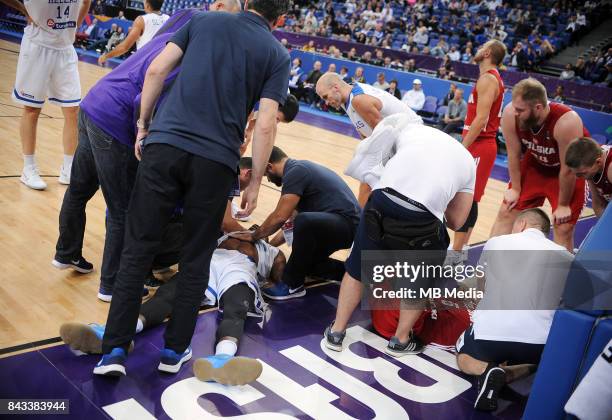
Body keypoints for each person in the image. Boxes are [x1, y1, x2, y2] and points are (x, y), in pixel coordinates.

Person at [94, 0, 291, 377]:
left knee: (137, 249)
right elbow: (266, 124)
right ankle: (174, 352)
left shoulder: (202, 21)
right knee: (197, 258)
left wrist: (143, 124)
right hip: (216, 162)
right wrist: (254, 186)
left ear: (247, 2)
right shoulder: (277, 54)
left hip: (165, 145)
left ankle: (114, 349)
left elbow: (155, 70)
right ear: (279, 20)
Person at [52, 0, 243, 299]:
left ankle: (66, 252)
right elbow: (143, 97)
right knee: (123, 211)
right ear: (218, 7)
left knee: (78, 189)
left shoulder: (183, 21)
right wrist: (142, 134)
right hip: (115, 119)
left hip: (94, 101)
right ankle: (111, 285)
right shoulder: (186, 57)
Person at [325, 116, 475, 357]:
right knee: (420, 279)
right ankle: (401, 340)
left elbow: (377, 159)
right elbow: (457, 221)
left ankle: (337, 332)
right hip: (422, 218)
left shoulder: (412, 130)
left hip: (382, 200)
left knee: (357, 269)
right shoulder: (467, 160)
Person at [61, 232, 285, 384]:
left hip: (240, 271)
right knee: (166, 296)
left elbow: (281, 275)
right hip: (207, 262)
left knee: (236, 309)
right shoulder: (227, 232)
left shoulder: (270, 251)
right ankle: (113, 332)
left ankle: (222, 360)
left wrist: (273, 270)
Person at [456, 209, 573, 411]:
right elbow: (567, 304)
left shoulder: (497, 242)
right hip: (537, 344)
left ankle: (487, 370)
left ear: (522, 225)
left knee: (462, 353)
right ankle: (509, 373)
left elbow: (480, 284)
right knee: (540, 361)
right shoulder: (566, 256)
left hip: (490, 337)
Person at [231, 146, 360, 300]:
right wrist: (269, 248)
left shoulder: (296, 171)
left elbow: (279, 216)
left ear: (269, 166)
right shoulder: (299, 172)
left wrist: (254, 236)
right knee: (308, 265)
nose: (269, 180)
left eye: (266, 175)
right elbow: (289, 224)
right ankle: (358, 275)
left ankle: (292, 285)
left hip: (348, 225)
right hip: (338, 225)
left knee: (304, 221)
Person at [489, 78, 589, 251]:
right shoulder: (510, 114)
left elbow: (568, 170)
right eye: (514, 107)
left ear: (538, 108)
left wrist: (563, 205)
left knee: (563, 226)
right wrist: (516, 189)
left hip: (568, 171)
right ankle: (486, 270)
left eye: (520, 110)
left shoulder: (566, 122)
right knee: (507, 210)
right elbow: (513, 154)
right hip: (535, 164)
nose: (515, 112)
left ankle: (557, 277)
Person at [2, 0, 91, 190]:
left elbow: (86, 1)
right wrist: (23, 8)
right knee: (32, 109)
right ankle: (29, 168)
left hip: (65, 48)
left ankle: (69, 168)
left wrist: (75, 26)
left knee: (73, 110)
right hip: (38, 46)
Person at [315, 72, 423, 207]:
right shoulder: (346, 96)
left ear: (336, 87)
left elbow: (386, 136)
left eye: (326, 96)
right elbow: (367, 134)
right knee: (370, 177)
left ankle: (359, 221)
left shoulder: (359, 100)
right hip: (400, 136)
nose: (326, 102)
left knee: (368, 179)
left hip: (413, 136)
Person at [449, 39, 506, 265]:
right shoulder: (489, 78)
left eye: (482, 46)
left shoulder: (488, 79)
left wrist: (462, 148)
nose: (477, 49)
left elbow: (481, 119)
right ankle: (460, 250)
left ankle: (455, 253)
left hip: (480, 144)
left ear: (488, 53)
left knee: (467, 199)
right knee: (468, 199)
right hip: (479, 144)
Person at [99, 0, 169, 65]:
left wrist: (106, 56)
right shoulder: (168, 19)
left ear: (147, 5)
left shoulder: (142, 20)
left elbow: (124, 47)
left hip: (144, 63)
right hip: (162, 64)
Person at [565, 137, 612, 218]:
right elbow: (598, 203)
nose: (577, 177)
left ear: (598, 162)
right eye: (576, 174)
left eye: (580, 174)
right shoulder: (591, 166)